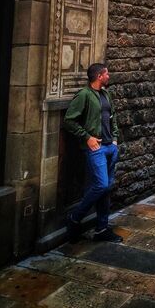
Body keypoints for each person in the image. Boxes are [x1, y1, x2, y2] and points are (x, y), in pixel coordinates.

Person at [63, 63, 122, 244]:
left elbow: (113, 117)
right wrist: (87, 137)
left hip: (109, 147)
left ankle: (101, 229)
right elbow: (69, 121)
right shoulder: (84, 95)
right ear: (99, 76)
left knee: (106, 189)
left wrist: (115, 139)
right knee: (101, 185)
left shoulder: (106, 94)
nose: (109, 76)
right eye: (107, 73)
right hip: (95, 148)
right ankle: (75, 218)